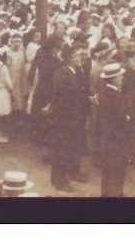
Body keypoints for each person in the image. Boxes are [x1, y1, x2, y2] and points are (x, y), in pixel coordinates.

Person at [48, 44, 89, 192]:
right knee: (61, 150)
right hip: (64, 119)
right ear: (69, 58)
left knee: (69, 148)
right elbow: (60, 98)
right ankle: (59, 181)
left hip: (73, 118)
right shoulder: (61, 73)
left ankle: (67, 175)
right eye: (78, 56)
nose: (81, 58)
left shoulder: (74, 71)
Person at [94, 62, 129, 197]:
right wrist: (127, 118)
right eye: (120, 76)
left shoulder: (106, 92)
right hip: (116, 138)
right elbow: (120, 118)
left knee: (108, 170)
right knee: (116, 169)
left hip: (107, 137)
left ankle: (107, 194)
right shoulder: (113, 95)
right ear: (113, 78)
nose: (122, 79)